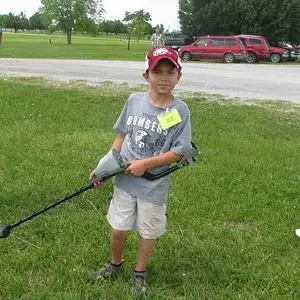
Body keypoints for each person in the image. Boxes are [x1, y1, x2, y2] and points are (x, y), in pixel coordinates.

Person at [89, 46, 192, 296]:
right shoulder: (134, 101)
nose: (164, 78)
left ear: (179, 75)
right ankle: (115, 265)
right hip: (124, 182)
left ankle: (139, 272)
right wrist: (105, 167)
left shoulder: (179, 111)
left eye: (170, 72)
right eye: (157, 72)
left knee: (147, 231)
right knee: (118, 228)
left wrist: (145, 164)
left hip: (152, 187)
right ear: (146, 75)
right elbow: (121, 136)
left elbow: (179, 152)